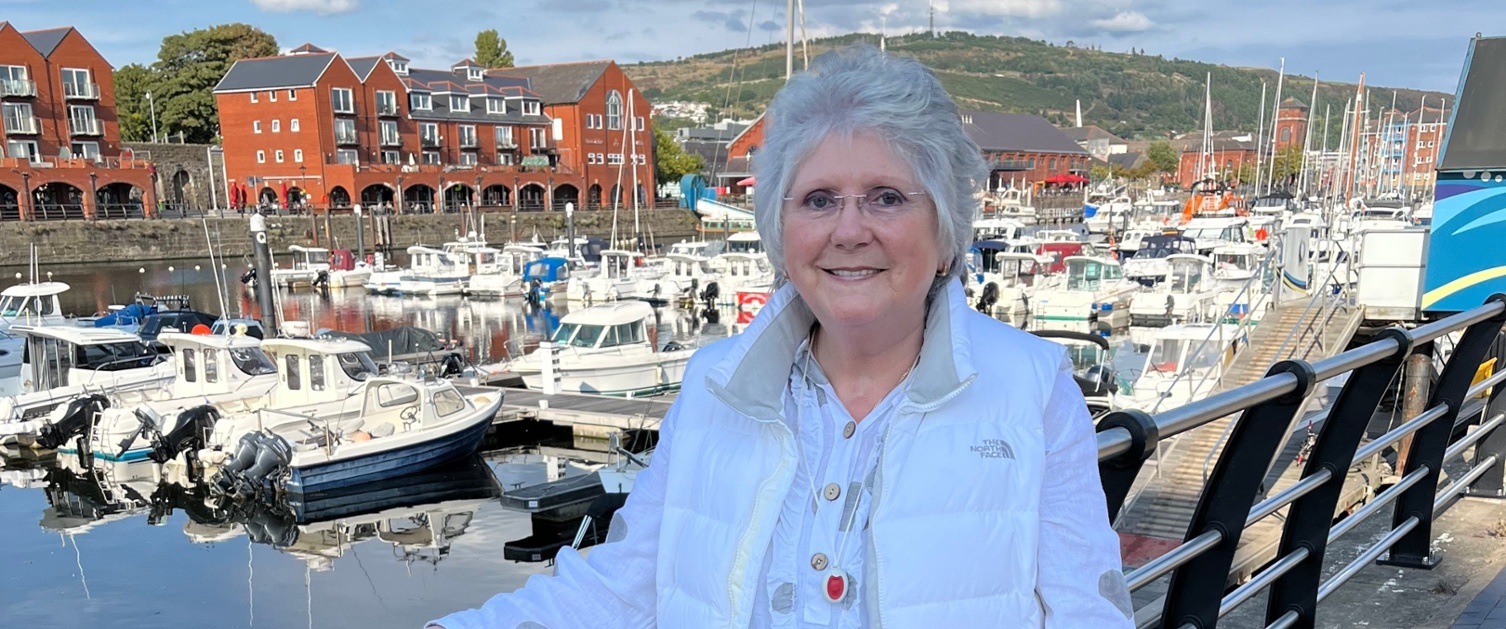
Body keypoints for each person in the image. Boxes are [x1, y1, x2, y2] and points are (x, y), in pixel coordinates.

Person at [430, 44, 1131, 629]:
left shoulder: (1030, 388)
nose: (849, 229)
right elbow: (621, 588)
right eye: (819, 199)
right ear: (779, 228)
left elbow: (1087, 612)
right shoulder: (713, 388)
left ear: (944, 230)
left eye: (887, 197)